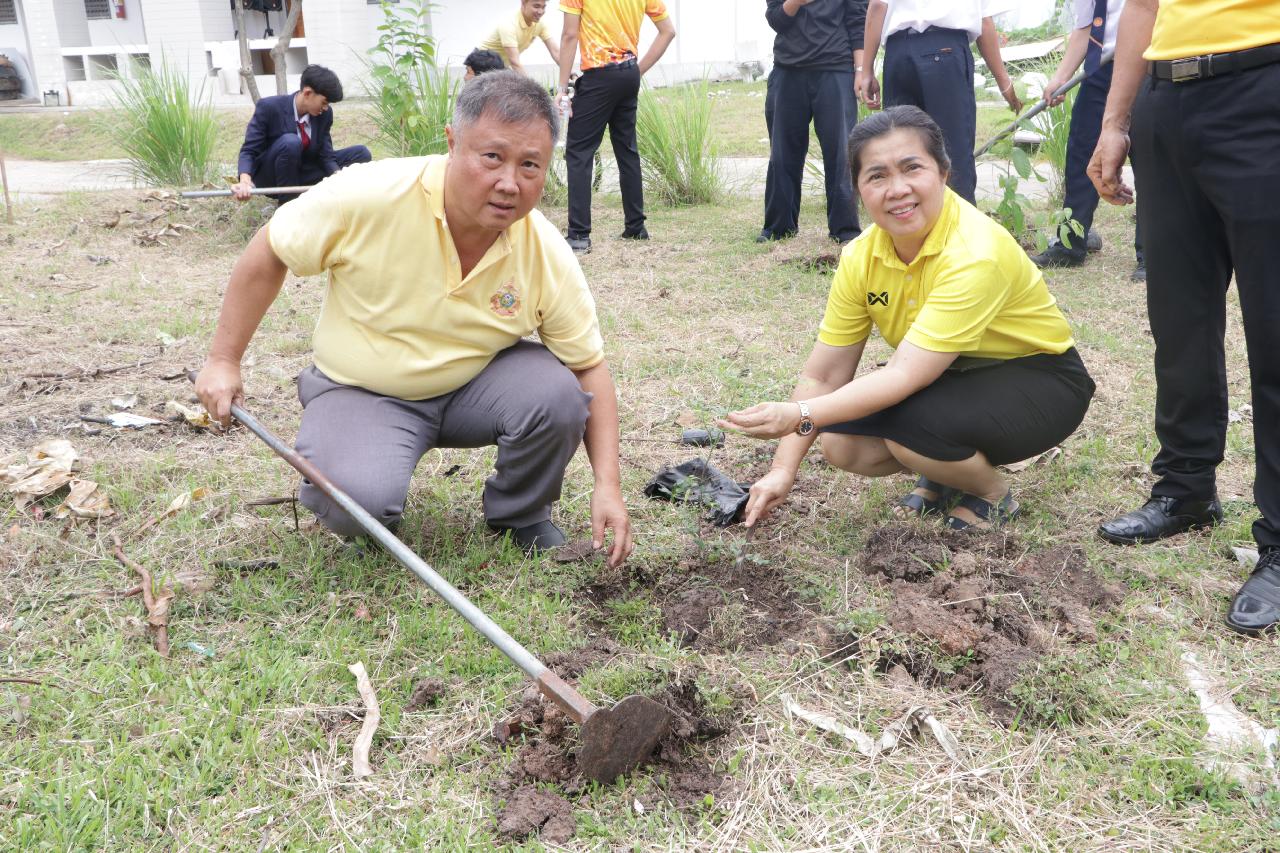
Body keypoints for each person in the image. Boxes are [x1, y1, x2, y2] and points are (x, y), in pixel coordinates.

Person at [197, 71, 633, 567]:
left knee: (558, 395)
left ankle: (521, 513)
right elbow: (270, 250)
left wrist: (608, 484)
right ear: (452, 142)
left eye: (530, 165)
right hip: (363, 388)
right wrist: (223, 360)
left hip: (473, 386)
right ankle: (362, 474)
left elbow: (588, 366)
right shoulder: (370, 193)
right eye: (492, 157)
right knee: (356, 504)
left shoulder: (544, 249)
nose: (509, 183)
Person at [720, 107, 1095, 531]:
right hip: (952, 377)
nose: (897, 189)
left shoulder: (975, 252)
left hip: (1040, 381)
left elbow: (903, 375)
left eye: (912, 168)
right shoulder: (861, 256)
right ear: (858, 189)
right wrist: (782, 468)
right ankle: (943, 473)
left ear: (943, 172)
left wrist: (799, 413)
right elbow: (824, 375)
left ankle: (991, 494)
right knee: (840, 441)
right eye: (877, 176)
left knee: (908, 430)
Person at [1088, 0, 1280, 634]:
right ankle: (1185, 486)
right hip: (1167, 99)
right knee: (1180, 320)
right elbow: (1143, 5)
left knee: (1275, 328)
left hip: (1265, 86)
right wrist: (1116, 121)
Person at [858, 1, 1022, 204]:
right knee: (953, 152)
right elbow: (984, 21)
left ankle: (909, 217)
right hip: (944, 50)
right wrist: (1004, 81)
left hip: (898, 55)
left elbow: (877, 5)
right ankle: (957, 221)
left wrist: (866, 70)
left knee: (901, 148)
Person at [1029, 0, 1145, 282]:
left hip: (1146, 63)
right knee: (1081, 154)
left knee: (1149, 159)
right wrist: (1060, 77)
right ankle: (1070, 243)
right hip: (1100, 69)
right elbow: (1085, 28)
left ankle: (1151, 253)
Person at [556, 0, 677, 255]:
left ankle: (579, 236)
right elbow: (668, 31)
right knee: (627, 150)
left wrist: (562, 88)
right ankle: (636, 227)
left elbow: (569, 35)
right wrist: (636, 71)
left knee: (578, 152)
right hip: (629, 73)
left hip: (598, 76)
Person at [757, 0, 866, 245]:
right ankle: (779, 226)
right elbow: (776, 19)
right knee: (782, 152)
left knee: (841, 153)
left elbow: (858, 20)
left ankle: (845, 229)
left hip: (836, 68)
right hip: (787, 69)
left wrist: (860, 70)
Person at [232, 65, 371, 202]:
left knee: (361, 153)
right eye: (324, 102)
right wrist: (245, 181)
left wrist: (338, 175)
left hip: (301, 172)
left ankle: (339, 197)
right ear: (308, 93)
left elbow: (326, 156)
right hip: (272, 176)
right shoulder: (269, 107)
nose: (326, 108)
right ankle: (288, 204)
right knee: (291, 142)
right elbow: (249, 150)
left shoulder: (324, 114)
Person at [478, 0, 562, 74]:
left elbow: (556, 52)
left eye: (543, 7)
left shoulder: (540, 24)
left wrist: (568, 74)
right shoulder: (509, 23)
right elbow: (515, 62)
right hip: (480, 64)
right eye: (536, 6)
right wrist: (531, 85)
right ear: (523, 2)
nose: (540, 11)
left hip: (499, 67)